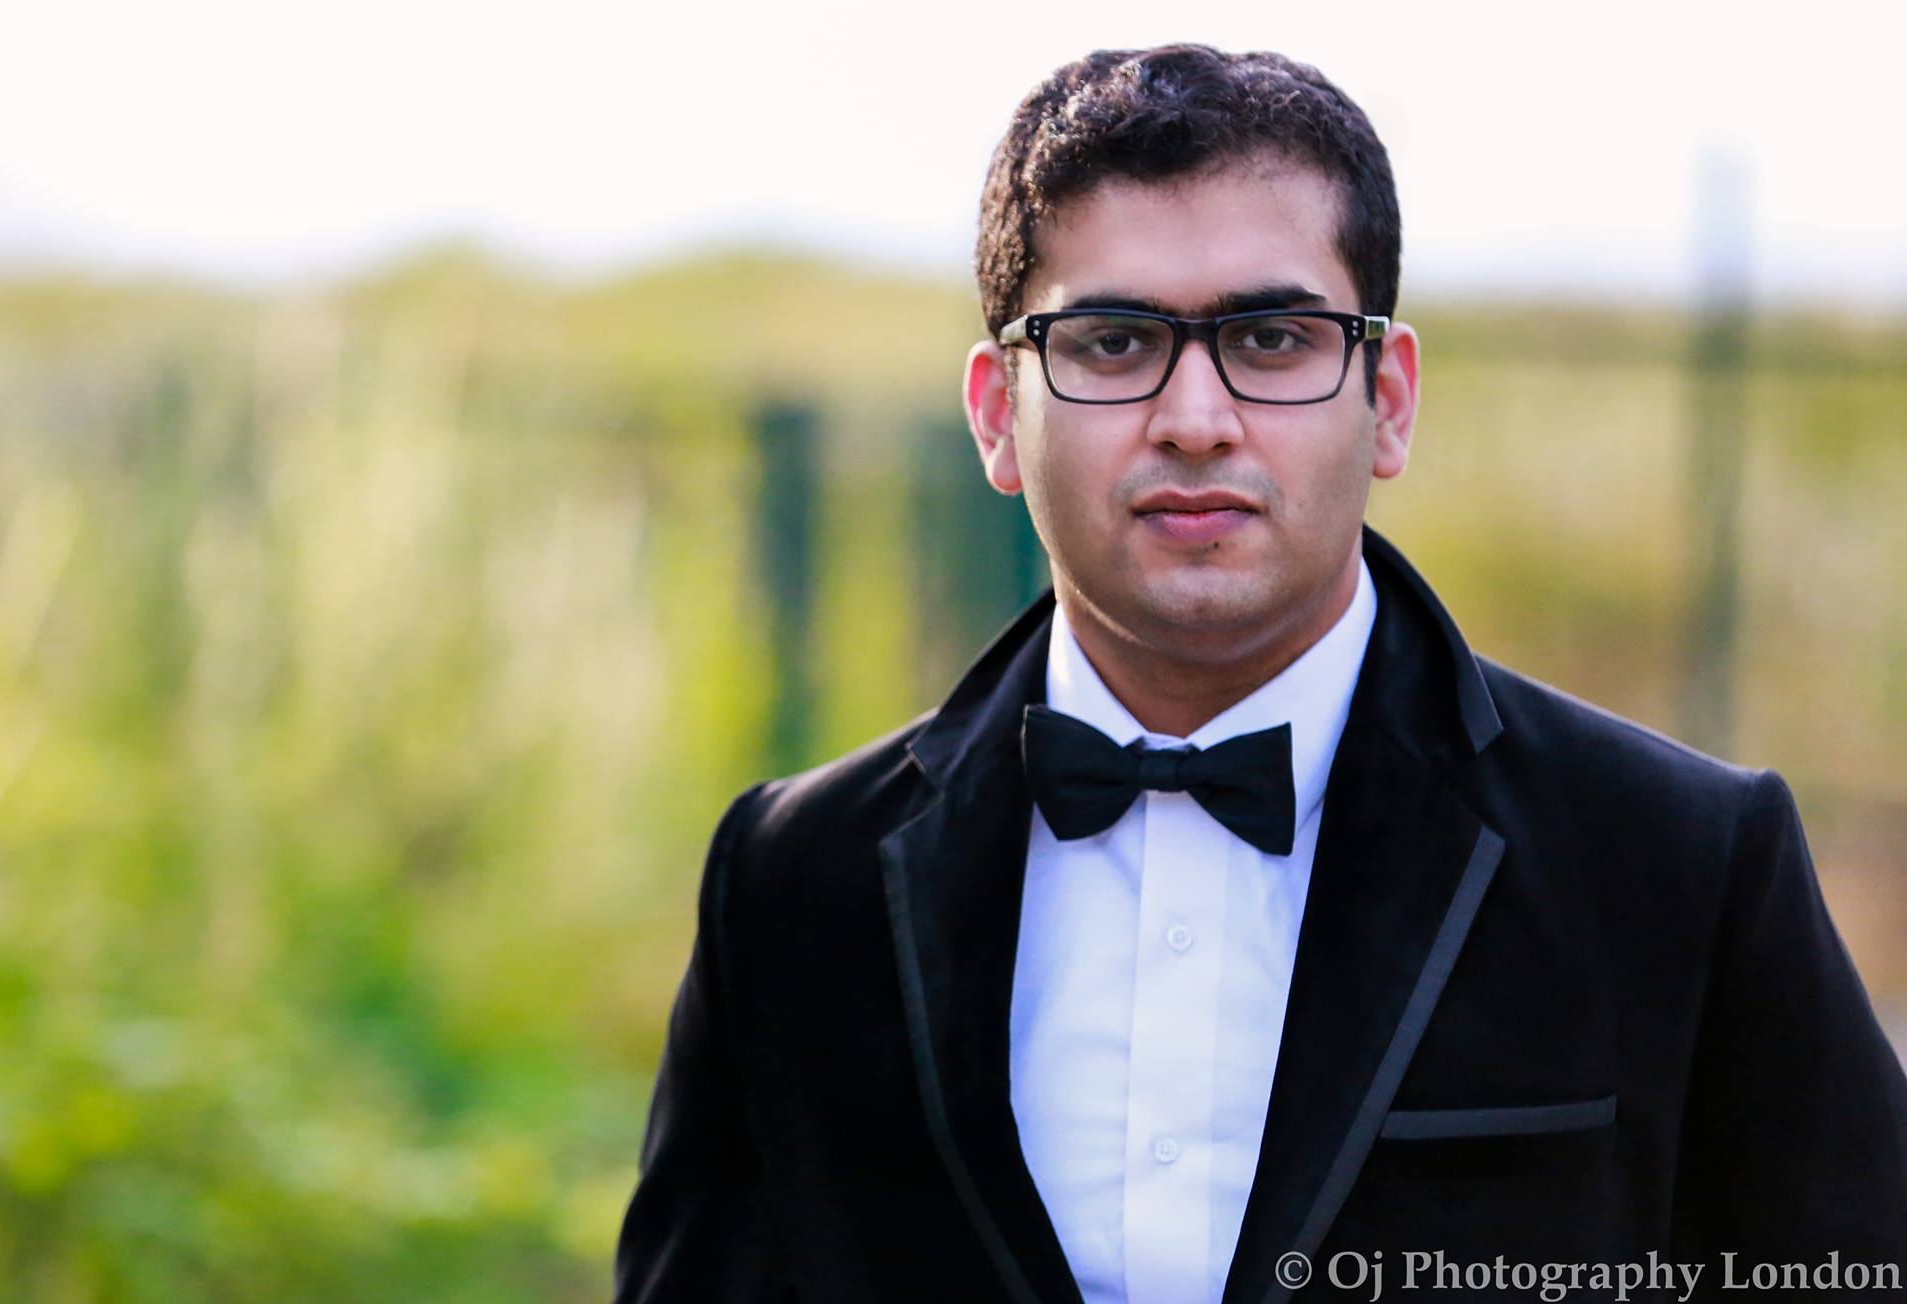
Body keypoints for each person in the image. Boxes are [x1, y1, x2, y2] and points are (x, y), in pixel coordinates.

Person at [613, 44, 1907, 1304]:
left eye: (1275, 338)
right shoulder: (791, 883)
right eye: (1113, 342)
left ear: (1387, 399)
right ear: (999, 414)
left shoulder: (1683, 863)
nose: (1195, 419)